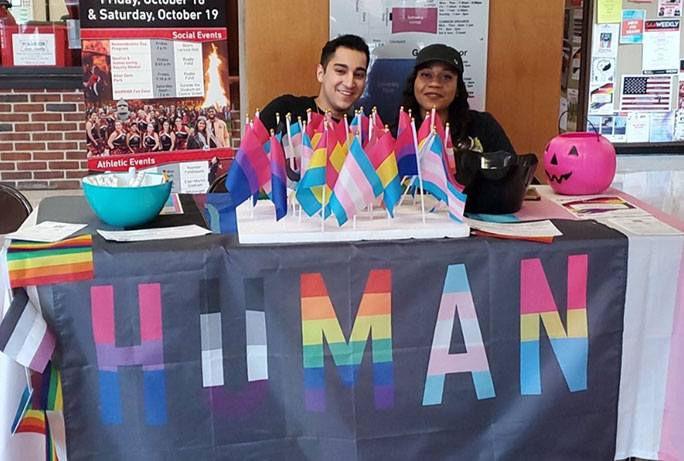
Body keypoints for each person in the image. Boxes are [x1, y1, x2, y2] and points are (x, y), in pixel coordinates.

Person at [399, 43, 515, 154]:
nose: (435, 84)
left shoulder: (483, 127)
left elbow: (514, 172)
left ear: (458, 88)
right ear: (414, 82)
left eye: (446, 77)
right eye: (426, 75)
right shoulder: (397, 132)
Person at [259, 34, 370, 131]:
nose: (349, 83)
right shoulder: (285, 112)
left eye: (359, 75)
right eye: (340, 71)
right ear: (320, 73)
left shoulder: (363, 132)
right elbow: (250, 153)